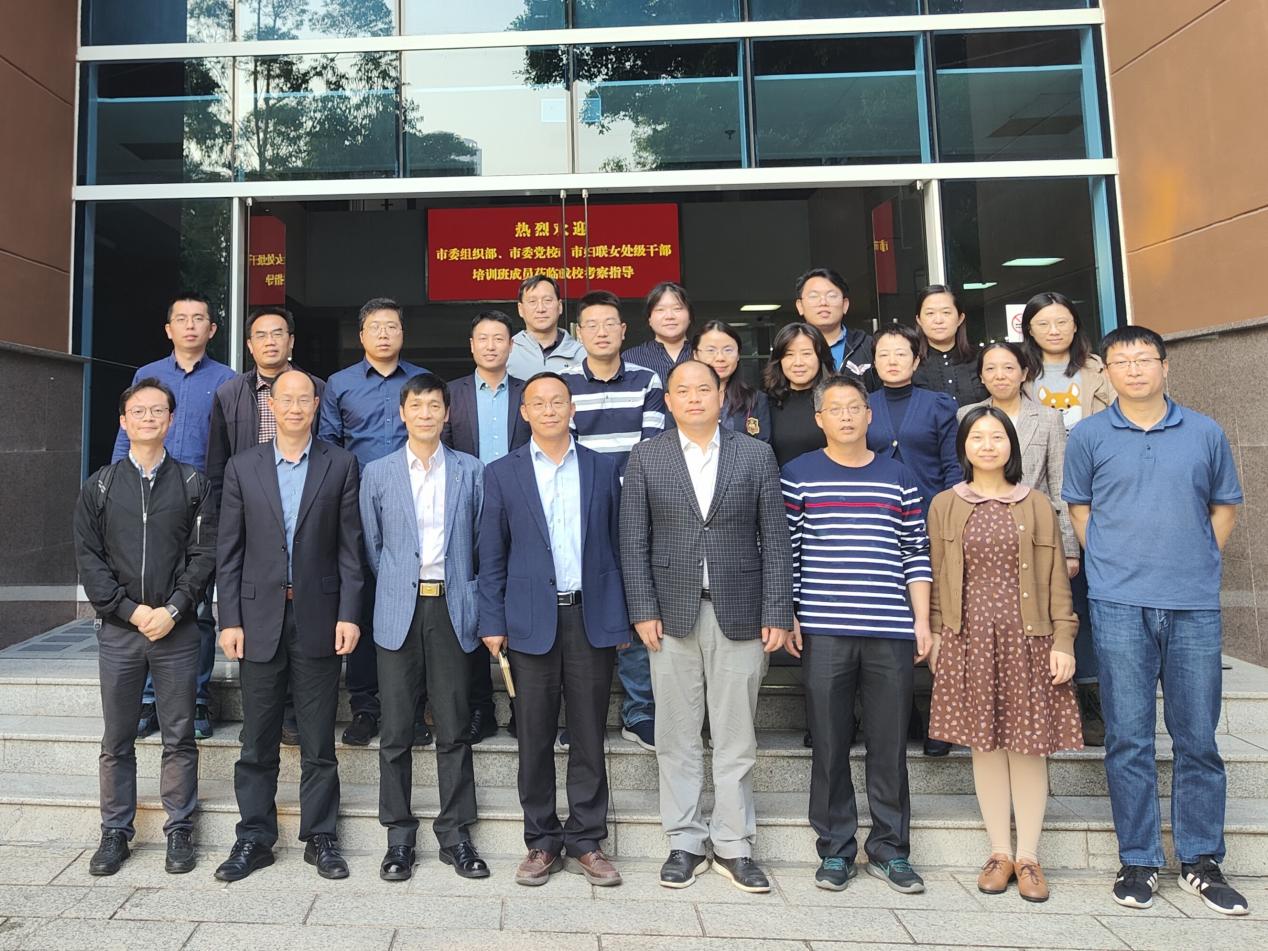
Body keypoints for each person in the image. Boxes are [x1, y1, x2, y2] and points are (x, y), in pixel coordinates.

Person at [1064, 325, 1249, 916]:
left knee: (1197, 737)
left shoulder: (1204, 431)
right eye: (1122, 362)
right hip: (1119, 602)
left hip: (1192, 603)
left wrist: (1197, 560)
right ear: (1107, 372)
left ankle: (1201, 860)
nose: (1135, 370)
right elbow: (1080, 507)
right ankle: (1138, 859)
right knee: (1128, 736)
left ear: (1165, 366)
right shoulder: (1089, 435)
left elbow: (1224, 506)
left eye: (1145, 359)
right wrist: (1111, 563)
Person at [621, 360, 793, 894]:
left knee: (735, 736)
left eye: (704, 389)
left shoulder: (755, 454)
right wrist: (642, 608)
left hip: (740, 610)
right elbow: (633, 539)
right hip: (670, 614)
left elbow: (776, 539)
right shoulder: (647, 455)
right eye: (683, 390)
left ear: (722, 397)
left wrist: (776, 611)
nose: (694, 398)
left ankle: (735, 844)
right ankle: (685, 841)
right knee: (675, 734)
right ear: (668, 401)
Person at [781, 374, 932, 896]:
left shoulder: (899, 476)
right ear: (819, 419)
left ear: (870, 416)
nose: (845, 416)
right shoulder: (798, 474)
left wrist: (922, 621)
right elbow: (788, 552)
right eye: (835, 408)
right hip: (824, 630)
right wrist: (790, 613)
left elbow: (916, 552)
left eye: (854, 407)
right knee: (829, 742)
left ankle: (891, 849)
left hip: (889, 629)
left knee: (889, 744)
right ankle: (836, 848)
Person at [479, 372, 628, 888]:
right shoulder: (502, 474)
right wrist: (492, 620)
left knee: (588, 732)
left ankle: (586, 839)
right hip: (529, 620)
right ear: (524, 413)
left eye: (557, 401)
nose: (548, 410)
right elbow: (491, 556)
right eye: (538, 403)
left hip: (590, 616)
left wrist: (621, 614)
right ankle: (541, 840)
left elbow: (618, 545)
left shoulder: (602, 468)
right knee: (534, 734)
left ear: (572, 408)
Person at [213, 371, 362, 883]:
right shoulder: (243, 466)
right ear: (271, 406)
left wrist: (349, 613)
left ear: (316, 405)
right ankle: (254, 837)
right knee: (257, 740)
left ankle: (320, 836)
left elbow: (350, 548)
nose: (295, 407)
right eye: (286, 399)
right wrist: (229, 619)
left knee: (319, 740)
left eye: (304, 399)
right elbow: (229, 552)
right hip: (257, 619)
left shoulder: (340, 464)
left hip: (319, 615)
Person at [927, 407, 1082, 904]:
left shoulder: (1035, 503)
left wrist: (1064, 640)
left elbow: (1056, 579)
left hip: (1028, 639)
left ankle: (1029, 857)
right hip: (969, 638)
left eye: (997, 436)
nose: (988, 445)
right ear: (964, 447)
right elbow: (936, 575)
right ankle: (999, 852)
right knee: (985, 747)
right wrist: (937, 635)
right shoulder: (945, 504)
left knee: (1028, 746)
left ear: (1012, 445)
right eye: (978, 437)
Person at [74, 379, 216, 877]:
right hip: (120, 631)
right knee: (117, 739)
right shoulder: (99, 486)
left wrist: (173, 609)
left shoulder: (194, 484)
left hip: (177, 631)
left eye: (158, 411)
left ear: (171, 421)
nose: (149, 418)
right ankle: (115, 830)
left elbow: (203, 555)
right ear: (124, 421)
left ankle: (180, 828)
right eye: (139, 411)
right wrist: (131, 611)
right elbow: (90, 560)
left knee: (179, 735)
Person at [362, 374, 490, 882]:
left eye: (434, 405)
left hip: (452, 607)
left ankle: (456, 835)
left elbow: (478, 542)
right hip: (399, 609)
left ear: (447, 413)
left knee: (454, 727)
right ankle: (398, 837)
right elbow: (374, 546)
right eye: (416, 406)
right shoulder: (378, 473)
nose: (425, 414)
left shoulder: (470, 471)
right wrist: (400, 585)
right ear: (403, 413)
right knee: (396, 730)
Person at [112, 293, 235, 743]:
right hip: (148, 503)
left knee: (197, 607)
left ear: (212, 329)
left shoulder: (227, 381)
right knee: (148, 598)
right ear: (169, 329)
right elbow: (126, 437)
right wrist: (116, 491)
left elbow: (232, 446)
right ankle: (148, 698)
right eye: (181, 319)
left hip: (202, 505)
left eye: (199, 319)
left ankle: (196, 697)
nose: (190, 325)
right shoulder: (147, 376)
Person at [206, 305, 325, 746]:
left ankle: (293, 715)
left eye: (279, 333)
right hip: (251, 514)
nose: (271, 341)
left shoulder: (316, 389)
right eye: (261, 334)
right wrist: (224, 519)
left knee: (302, 624)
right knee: (264, 625)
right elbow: (217, 463)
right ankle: (264, 722)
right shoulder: (228, 393)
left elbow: (329, 448)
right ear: (249, 345)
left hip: (304, 510)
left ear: (291, 341)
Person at [318, 297, 429, 748]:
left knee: (414, 610)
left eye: (392, 326)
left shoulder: (421, 382)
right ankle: (365, 706)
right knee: (361, 605)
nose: (384, 334)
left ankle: (412, 708)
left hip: (414, 510)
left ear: (403, 333)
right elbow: (329, 445)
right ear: (361, 335)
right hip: (357, 510)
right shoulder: (339, 384)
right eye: (375, 327)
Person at [560, 289, 665, 752]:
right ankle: (580, 716)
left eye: (610, 324)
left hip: (638, 510)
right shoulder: (563, 384)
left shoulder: (647, 380)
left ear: (624, 331)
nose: (601, 332)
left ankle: (639, 712)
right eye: (592, 325)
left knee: (637, 604)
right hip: (580, 512)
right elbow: (565, 448)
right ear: (578, 333)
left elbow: (650, 450)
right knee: (581, 612)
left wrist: (627, 499)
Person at [1021, 291, 1115, 746]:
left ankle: (1093, 698)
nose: (1054, 330)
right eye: (1043, 323)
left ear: (1075, 325)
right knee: (1047, 602)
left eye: (1062, 321)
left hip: (1099, 499)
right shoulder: (1019, 374)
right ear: (1029, 330)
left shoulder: (1100, 371)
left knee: (1086, 601)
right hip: (1040, 504)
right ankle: (1049, 695)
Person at [866, 323, 963, 757]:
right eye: (884, 354)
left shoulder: (939, 404)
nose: (892, 361)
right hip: (877, 524)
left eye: (901, 353)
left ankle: (943, 718)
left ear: (917, 359)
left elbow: (953, 466)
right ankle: (902, 713)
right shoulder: (863, 405)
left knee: (938, 618)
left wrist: (949, 517)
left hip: (933, 521)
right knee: (889, 619)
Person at [441, 310, 531, 745]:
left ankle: (524, 705)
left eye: (500, 338)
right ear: (472, 345)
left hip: (521, 510)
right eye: (483, 338)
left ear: (511, 346)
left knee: (521, 601)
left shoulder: (528, 393)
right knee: (472, 607)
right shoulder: (451, 394)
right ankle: (480, 707)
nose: (491, 345)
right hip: (466, 512)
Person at [956, 342, 1079, 562]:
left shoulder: (1048, 418)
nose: (999, 376)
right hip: (980, 529)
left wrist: (1069, 550)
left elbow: (1059, 483)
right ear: (981, 377)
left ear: (1023, 374)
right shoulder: (966, 415)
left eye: (1009, 368)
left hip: (1036, 528)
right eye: (990, 369)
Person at [765, 322, 834, 466]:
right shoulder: (766, 403)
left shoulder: (836, 399)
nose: (798, 362)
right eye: (789, 354)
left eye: (806, 354)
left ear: (821, 357)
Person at [692, 320, 770, 442]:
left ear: (738, 355)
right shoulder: (681, 398)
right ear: (696, 355)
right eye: (711, 350)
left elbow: (764, 446)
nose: (720, 358)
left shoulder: (756, 399)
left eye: (728, 350)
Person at [793, 267, 875, 381]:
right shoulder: (788, 348)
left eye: (831, 296)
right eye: (813, 296)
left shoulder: (867, 346)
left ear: (845, 305)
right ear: (800, 306)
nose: (823, 302)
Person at [911, 285, 988, 406]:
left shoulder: (982, 359)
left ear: (960, 318)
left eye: (946, 312)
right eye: (930, 313)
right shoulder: (910, 363)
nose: (938, 320)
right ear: (919, 320)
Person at [506, 274, 585, 380]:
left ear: (560, 306)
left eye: (547, 300)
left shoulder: (582, 353)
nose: (541, 309)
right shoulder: (506, 352)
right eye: (532, 301)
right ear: (520, 309)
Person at [622, 281, 695, 390]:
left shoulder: (705, 354)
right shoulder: (630, 358)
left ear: (689, 317)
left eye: (677, 308)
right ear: (649, 319)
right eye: (660, 310)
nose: (669, 316)